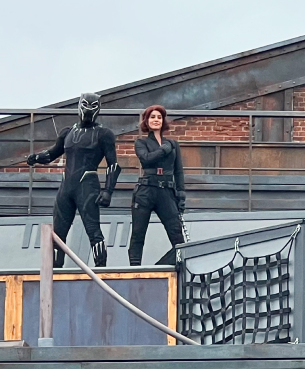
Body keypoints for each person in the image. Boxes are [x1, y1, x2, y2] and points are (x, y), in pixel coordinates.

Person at [26, 92, 120, 267]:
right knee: (58, 232)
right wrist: (36, 158)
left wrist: (108, 191)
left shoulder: (103, 134)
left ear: (98, 109)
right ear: (79, 106)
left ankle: (101, 271)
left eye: (93, 106)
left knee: (93, 230)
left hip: (87, 186)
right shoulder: (68, 132)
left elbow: (113, 165)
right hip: (67, 187)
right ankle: (54, 272)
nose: (89, 110)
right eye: (86, 105)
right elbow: (54, 152)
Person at [129, 104, 186, 265]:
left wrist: (181, 193)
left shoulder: (173, 144)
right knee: (138, 234)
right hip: (146, 190)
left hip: (166, 191)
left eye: (159, 117)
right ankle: (134, 271)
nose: (156, 120)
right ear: (147, 121)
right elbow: (146, 159)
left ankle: (175, 268)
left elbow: (178, 171)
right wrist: (164, 150)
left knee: (176, 234)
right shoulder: (141, 142)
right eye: (152, 117)